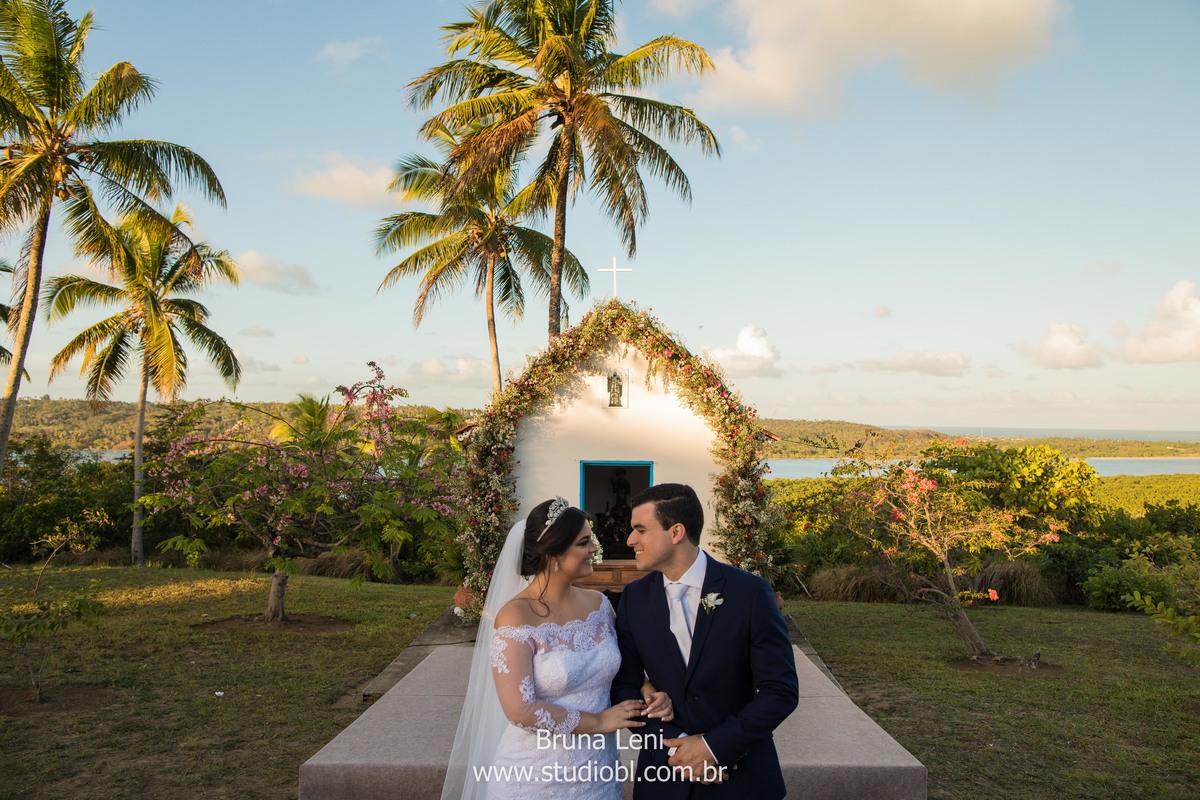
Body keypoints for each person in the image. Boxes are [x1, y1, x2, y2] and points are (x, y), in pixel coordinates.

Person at [441, 497, 674, 800]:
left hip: (598, 772)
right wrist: (600, 721)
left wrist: (648, 689)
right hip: (534, 776)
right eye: (584, 542)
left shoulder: (600, 605)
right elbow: (520, 710)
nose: (594, 548)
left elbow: (617, 668)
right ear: (553, 553)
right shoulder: (515, 616)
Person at [612, 483, 799, 799]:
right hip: (664, 779)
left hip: (740, 780)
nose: (630, 540)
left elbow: (780, 690)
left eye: (640, 530)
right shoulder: (634, 598)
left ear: (676, 532)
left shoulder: (750, 593)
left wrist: (713, 747)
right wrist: (675, 749)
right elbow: (624, 687)